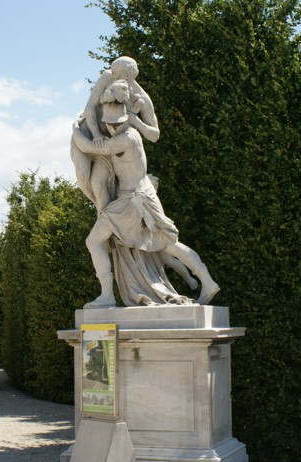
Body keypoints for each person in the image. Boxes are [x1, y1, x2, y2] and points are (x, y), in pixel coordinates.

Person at [71, 96, 220, 308]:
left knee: (94, 241)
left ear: (124, 121)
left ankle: (107, 296)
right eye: (110, 124)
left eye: (116, 124)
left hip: (130, 202)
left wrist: (76, 128)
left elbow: (86, 146)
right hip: (141, 198)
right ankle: (207, 280)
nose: (112, 128)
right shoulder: (131, 134)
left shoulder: (125, 139)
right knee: (168, 245)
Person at [71, 56, 160, 214]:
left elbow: (154, 135)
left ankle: (106, 216)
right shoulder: (107, 77)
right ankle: (104, 215)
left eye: (114, 72)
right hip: (89, 132)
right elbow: (89, 108)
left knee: (98, 183)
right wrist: (95, 134)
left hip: (109, 143)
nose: (110, 74)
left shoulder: (142, 99)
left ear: (127, 74)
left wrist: (136, 121)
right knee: (82, 175)